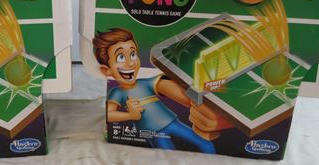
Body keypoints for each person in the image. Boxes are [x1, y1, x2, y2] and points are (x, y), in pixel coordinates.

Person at [93, 28, 232, 153]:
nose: (130, 63)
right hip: (151, 132)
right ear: (106, 70)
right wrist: (131, 115)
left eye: (133, 54)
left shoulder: (146, 83)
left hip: (171, 121)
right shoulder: (117, 92)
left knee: (204, 144)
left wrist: (203, 102)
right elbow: (109, 115)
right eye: (121, 57)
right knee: (167, 155)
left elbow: (174, 91)